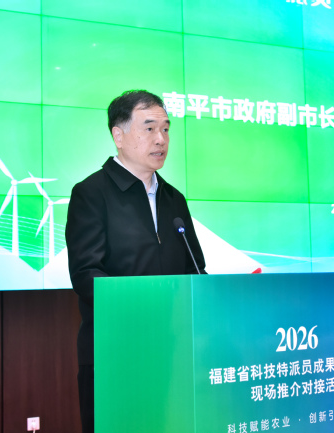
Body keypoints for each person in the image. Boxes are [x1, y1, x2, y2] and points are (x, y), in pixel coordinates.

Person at [65, 90, 206, 433]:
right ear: (119, 135)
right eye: (149, 128)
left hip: (168, 349)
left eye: (166, 129)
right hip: (114, 351)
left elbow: (194, 268)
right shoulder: (91, 193)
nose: (161, 139)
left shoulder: (174, 199)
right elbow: (86, 273)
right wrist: (143, 306)